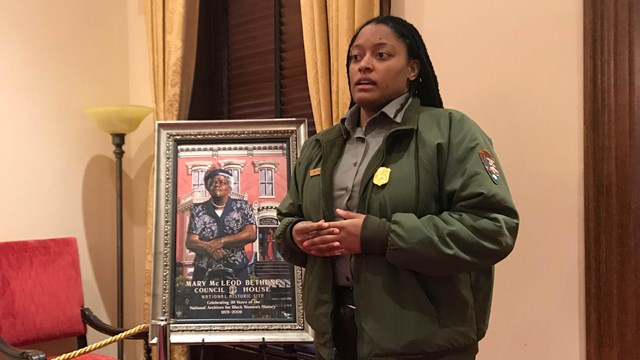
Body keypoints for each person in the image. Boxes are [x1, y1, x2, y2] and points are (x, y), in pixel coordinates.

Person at [275, 15, 519, 360]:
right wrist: (296, 235)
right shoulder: (321, 146)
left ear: (413, 69)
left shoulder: (451, 132)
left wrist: (380, 235)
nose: (364, 66)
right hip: (337, 340)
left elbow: (492, 229)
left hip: (427, 345)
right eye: (355, 58)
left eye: (381, 55)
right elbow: (286, 221)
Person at [186, 168, 257, 282]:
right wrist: (209, 248)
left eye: (222, 182)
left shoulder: (242, 207)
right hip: (204, 271)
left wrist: (222, 241)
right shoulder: (198, 210)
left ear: (230, 187)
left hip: (237, 270)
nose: (217, 185)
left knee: (239, 300)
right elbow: (190, 241)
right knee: (202, 300)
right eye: (212, 182)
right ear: (208, 187)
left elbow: (251, 234)